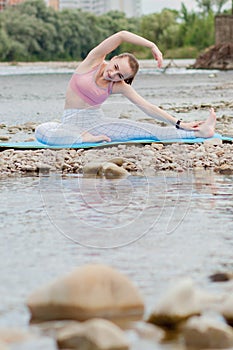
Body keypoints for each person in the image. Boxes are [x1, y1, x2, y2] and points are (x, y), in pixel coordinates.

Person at [35, 30, 216, 146]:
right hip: (70, 124)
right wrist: (152, 45)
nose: (113, 75)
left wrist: (179, 123)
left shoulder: (118, 86)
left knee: (149, 131)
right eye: (115, 68)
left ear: (124, 79)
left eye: (120, 75)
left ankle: (200, 132)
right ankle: (83, 139)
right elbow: (121, 35)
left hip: (98, 124)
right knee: (41, 130)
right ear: (113, 59)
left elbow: (147, 107)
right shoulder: (92, 61)